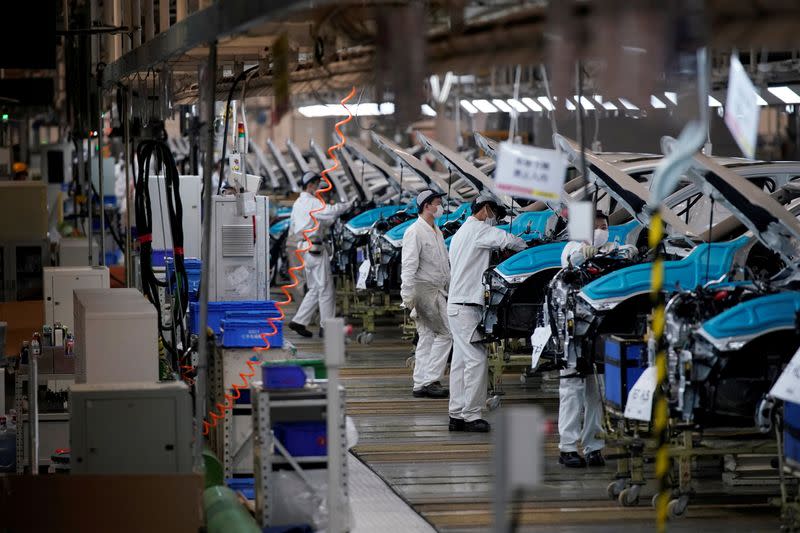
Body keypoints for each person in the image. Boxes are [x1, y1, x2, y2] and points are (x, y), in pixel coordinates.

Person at [447, 191, 527, 432]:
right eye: (495, 213)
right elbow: (509, 241)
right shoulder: (479, 230)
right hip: (466, 308)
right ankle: (472, 415)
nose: (495, 218)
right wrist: (527, 246)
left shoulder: (462, 232)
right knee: (476, 360)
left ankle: (457, 414)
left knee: (461, 362)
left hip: (457, 306)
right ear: (485, 209)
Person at [557, 210, 613, 468]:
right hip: (574, 330)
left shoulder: (610, 251)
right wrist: (583, 252)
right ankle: (568, 447)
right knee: (572, 389)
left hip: (600, 330)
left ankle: (594, 447)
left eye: (604, 226)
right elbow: (570, 259)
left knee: (597, 391)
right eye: (597, 227)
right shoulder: (572, 247)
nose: (602, 230)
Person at [287, 171, 353, 338]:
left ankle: (299, 321)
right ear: (310, 185)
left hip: (303, 249)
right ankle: (326, 327)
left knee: (315, 288)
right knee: (326, 289)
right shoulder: (312, 202)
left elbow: (322, 219)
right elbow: (330, 211)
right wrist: (349, 204)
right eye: (317, 185)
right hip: (314, 249)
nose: (318, 189)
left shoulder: (298, 203)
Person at [401, 189, 452, 399]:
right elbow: (409, 265)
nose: (441, 207)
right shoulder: (415, 231)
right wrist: (407, 297)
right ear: (426, 206)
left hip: (437, 291)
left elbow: (442, 263)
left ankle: (420, 383)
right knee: (446, 334)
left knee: (427, 336)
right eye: (437, 203)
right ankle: (431, 380)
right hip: (423, 291)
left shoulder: (435, 230)